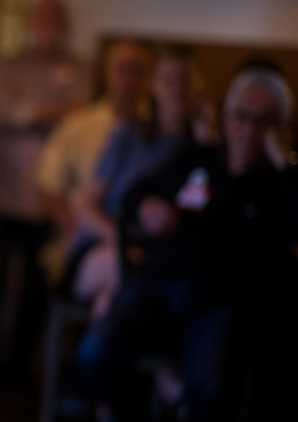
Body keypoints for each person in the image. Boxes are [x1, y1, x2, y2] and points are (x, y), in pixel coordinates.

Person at [78, 61, 298, 422]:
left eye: (264, 120)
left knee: (210, 386)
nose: (248, 130)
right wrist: (148, 207)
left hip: (222, 306)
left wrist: (284, 160)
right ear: (226, 115)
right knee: (96, 353)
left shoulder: (283, 182)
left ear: (281, 126)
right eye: (240, 116)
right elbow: (134, 195)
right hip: (157, 292)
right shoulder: (197, 158)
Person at [0, 0, 91, 381]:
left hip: (47, 198)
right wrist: (53, 110)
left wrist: (29, 109)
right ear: (29, 22)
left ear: (64, 25)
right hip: (0, 192)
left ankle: (16, 372)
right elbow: (5, 110)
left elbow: (81, 115)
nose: (46, 24)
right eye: (41, 16)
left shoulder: (80, 69)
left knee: (34, 290)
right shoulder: (5, 65)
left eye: (54, 17)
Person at [71, 47, 203, 317]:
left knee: (111, 300)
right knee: (125, 271)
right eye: (168, 80)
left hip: (163, 258)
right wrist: (120, 239)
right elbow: (85, 207)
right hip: (106, 248)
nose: (177, 89)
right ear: (153, 86)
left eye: (185, 80)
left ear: (197, 87)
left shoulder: (201, 152)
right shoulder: (127, 138)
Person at [35, 39, 152, 290]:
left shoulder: (158, 132)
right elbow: (49, 185)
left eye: (138, 71)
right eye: (122, 70)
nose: (129, 81)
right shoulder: (79, 125)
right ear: (107, 73)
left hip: (140, 244)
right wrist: (79, 230)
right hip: (88, 238)